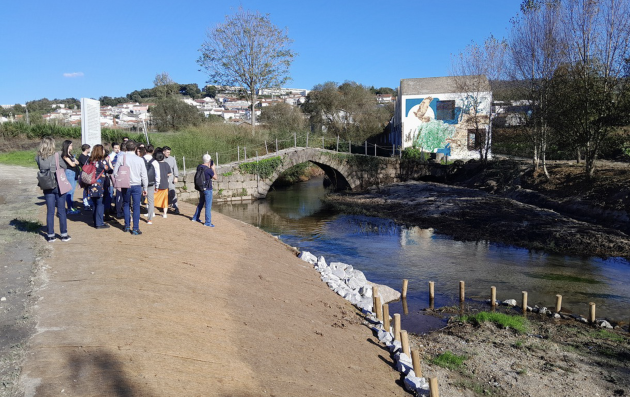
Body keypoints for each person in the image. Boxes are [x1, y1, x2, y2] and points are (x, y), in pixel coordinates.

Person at [35, 136, 70, 242]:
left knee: (50, 211)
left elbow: (40, 168)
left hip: (46, 185)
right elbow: (64, 166)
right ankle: (64, 234)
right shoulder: (56, 155)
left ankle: (50, 235)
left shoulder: (38, 157)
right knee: (61, 210)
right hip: (58, 184)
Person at [114, 141, 148, 235]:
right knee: (136, 206)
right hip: (137, 185)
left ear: (126, 148)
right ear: (136, 148)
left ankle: (127, 225)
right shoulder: (140, 159)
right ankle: (135, 228)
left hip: (125, 185)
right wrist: (145, 188)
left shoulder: (121, 157)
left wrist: (119, 180)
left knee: (126, 204)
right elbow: (144, 175)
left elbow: (115, 172)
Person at [87, 145, 113, 229]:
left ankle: (95, 221)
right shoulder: (102, 162)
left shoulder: (90, 160)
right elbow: (110, 170)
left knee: (94, 203)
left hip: (90, 184)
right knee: (100, 204)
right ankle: (99, 223)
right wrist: (108, 161)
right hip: (100, 185)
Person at [191, 154, 217, 227]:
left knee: (201, 203)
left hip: (201, 188)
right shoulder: (209, 170)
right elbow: (215, 177)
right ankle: (208, 222)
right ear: (209, 161)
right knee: (208, 206)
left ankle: (195, 217)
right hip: (208, 189)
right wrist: (213, 169)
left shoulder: (199, 167)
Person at [61, 140, 81, 215]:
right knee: (69, 191)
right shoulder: (65, 155)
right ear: (67, 146)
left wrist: (74, 163)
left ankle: (72, 207)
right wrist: (74, 163)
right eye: (71, 145)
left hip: (74, 173)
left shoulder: (71, 155)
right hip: (69, 173)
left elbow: (77, 162)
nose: (72, 146)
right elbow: (72, 164)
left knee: (72, 191)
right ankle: (69, 208)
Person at [142, 145, 160, 224]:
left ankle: (134, 217)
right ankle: (149, 219)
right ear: (153, 151)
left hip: (140, 182)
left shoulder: (140, 160)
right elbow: (157, 175)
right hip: (150, 183)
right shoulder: (155, 162)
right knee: (151, 201)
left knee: (135, 200)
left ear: (145, 150)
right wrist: (157, 185)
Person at [163, 146, 180, 215]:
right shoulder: (160, 158)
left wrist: (176, 176)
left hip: (170, 179)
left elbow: (175, 168)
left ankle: (176, 207)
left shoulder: (172, 159)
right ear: (163, 152)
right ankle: (164, 206)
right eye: (167, 152)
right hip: (163, 179)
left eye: (169, 152)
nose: (168, 153)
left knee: (172, 192)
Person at [153, 151, 171, 218]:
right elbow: (170, 173)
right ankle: (165, 214)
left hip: (156, 185)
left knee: (154, 198)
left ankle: (153, 212)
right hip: (165, 184)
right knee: (165, 200)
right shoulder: (166, 164)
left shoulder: (155, 164)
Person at [78, 144, 92, 210]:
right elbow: (85, 166)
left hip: (89, 174)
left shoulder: (88, 157)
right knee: (86, 189)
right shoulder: (81, 157)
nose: (90, 150)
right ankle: (86, 203)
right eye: (89, 148)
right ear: (86, 149)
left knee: (90, 188)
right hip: (84, 174)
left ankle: (89, 203)